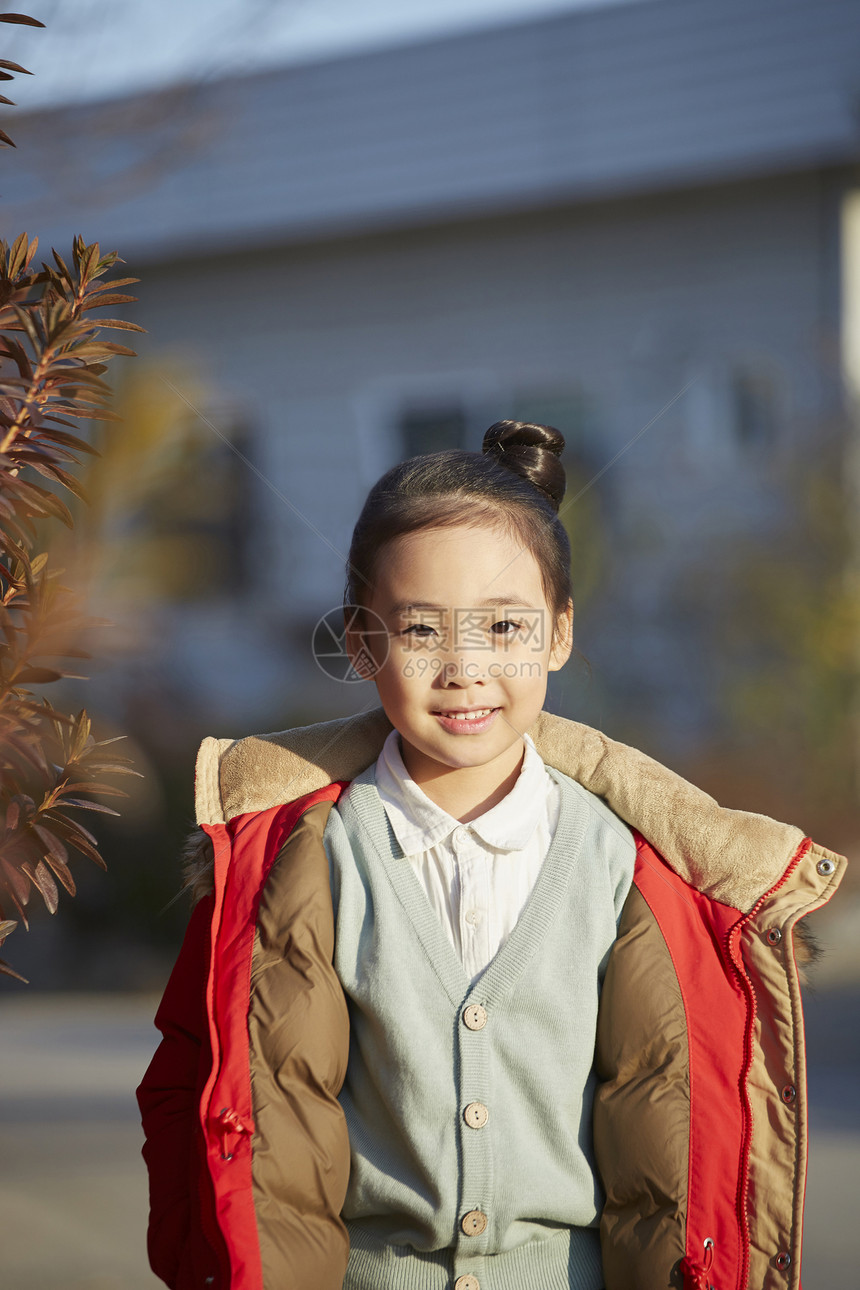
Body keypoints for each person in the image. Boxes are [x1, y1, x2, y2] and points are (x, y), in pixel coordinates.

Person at [137, 421, 845, 1290]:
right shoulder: (298, 865)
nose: (466, 666)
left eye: (504, 627)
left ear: (558, 635)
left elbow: (660, 1127)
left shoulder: (627, 868)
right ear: (363, 644)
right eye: (422, 630)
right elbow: (202, 1092)